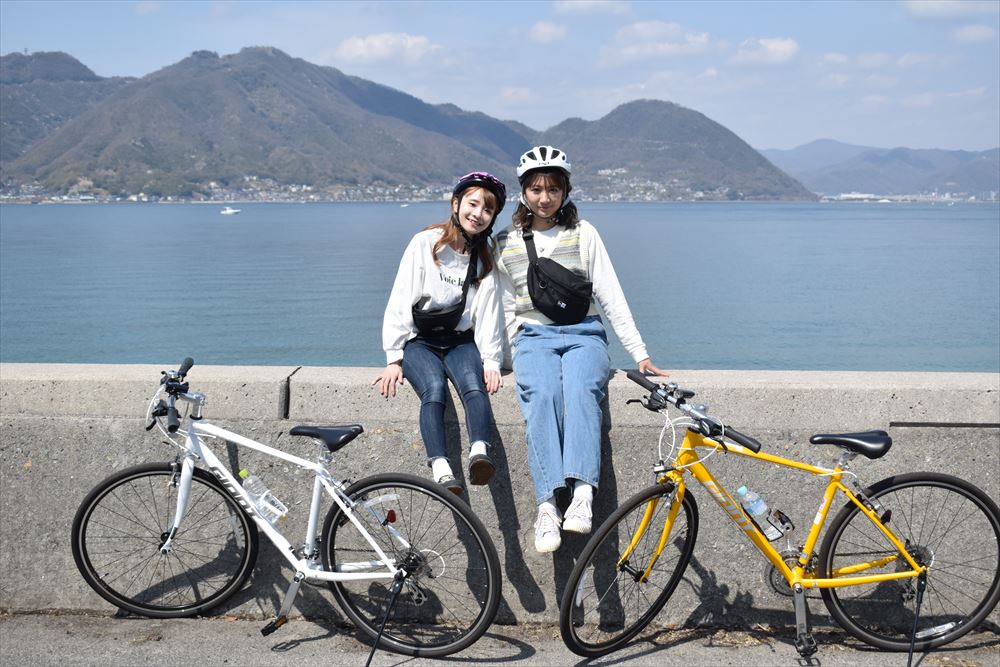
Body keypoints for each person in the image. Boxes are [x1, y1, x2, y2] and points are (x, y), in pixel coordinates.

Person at [495, 146, 667, 552]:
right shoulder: (505, 242)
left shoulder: (584, 233)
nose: (544, 197)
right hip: (533, 338)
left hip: (585, 334)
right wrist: (500, 358)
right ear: (523, 192)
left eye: (553, 189)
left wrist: (639, 353)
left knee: (580, 394)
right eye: (536, 188)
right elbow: (502, 305)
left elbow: (610, 295)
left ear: (566, 191)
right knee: (541, 398)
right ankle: (547, 505)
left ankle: (582, 495)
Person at [374, 172, 507, 495]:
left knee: (473, 386)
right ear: (456, 203)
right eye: (472, 204)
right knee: (433, 389)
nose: (478, 214)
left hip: (461, 341)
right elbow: (402, 296)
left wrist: (491, 360)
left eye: (487, 210)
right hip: (420, 342)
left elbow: (488, 313)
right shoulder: (427, 243)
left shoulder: (484, 256)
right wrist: (394, 357)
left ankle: (479, 453)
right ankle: (442, 467)